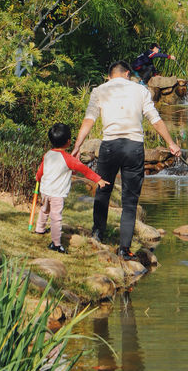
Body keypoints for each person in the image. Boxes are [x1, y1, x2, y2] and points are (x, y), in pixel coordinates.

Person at [72, 60, 182, 260]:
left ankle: (98, 234)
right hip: (133, 147)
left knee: (102, 191)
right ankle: (124, 249)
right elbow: (154, 119)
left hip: (110, 147)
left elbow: (89, 118)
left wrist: (78, 144)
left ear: (109, 76)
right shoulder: (140, 90)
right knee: (130, 201)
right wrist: (171, 144)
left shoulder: (99, 90)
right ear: (127, 74)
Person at [35, 122, 108, 254]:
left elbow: (41, 170)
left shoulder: (48, 155)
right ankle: (56, 244)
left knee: (45, 209)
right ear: (68, 142)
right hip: (57, 194)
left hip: (45, 190)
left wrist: (38, 178)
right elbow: (85, 170)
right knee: (56, 217)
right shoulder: (68, 158)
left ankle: (39, 228)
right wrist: (99, 179)